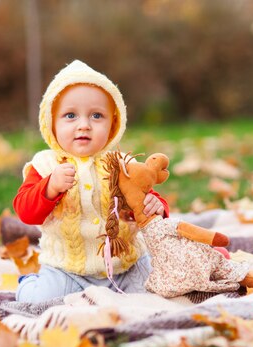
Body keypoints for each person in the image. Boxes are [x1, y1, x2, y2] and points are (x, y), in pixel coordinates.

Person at [13, 60, 169, 303]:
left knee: (163, 289)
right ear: (51, 123)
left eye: (96, 115)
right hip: (67, 269)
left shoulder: (123, 163)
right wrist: (50, 187)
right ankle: (29, 284)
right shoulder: (45, 166)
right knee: (37, 301)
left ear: (113, 124)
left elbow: (145, 196)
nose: (83, 125)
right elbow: (25, 211)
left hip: (126, 265)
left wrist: (156, 205)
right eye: (70, 115)